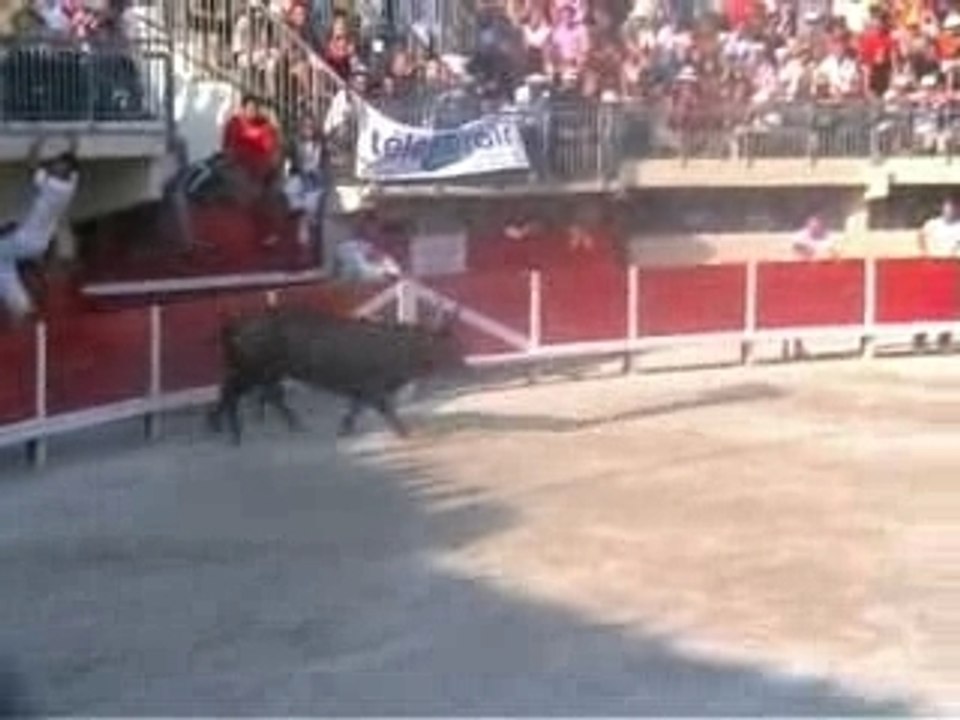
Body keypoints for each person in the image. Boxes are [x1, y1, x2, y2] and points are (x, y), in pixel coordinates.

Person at [0, 134, 79, 326]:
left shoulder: (53, 186)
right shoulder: (71, 183)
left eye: (57, 166)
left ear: (64, 171)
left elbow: (31, 164)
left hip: (26, 241)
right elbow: (72, 163)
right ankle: (22, 307)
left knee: (2, 258)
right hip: (38, 243)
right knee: (4, 262)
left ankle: (21, 306)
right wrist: (72, 143)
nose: (52, 166)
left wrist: (38, 142)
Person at [915, 196, 960, 351]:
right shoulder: (933, 224)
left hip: (950, 268)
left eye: (953, 208)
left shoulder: (959, 227)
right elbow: (920, 236)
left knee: (947, 305)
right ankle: (920, 338)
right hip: (932, 266)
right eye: (947, 207)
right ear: (943, 209)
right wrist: (925, 253)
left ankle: (944, 339)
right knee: (926, 304)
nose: (950, 211)